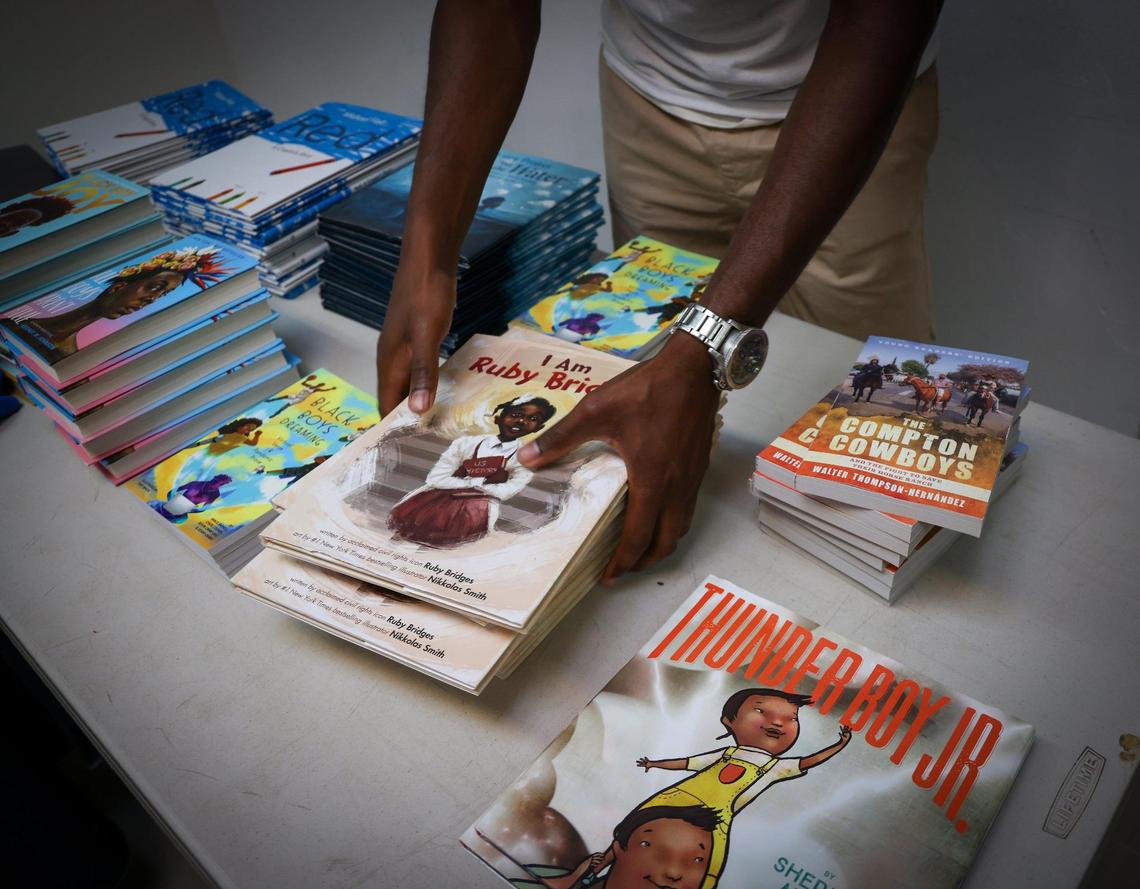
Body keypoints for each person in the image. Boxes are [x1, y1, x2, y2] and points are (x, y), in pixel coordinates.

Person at [377, 0, 944, 582]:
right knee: (646, 383)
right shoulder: (477, 443)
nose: (520, 422)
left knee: (886, 409)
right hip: (649, 95)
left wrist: (704, 345)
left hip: (848, 105)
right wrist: (427, 248)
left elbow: (881, 19)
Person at [552, 688, 851, 889]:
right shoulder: (725, 754)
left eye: (791, 719)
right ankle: (579, 876)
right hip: (675, 798)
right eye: (762, 712)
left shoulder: (776, 767)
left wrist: (839, 745)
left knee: (707, 868)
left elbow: (808, 761)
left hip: (716, 818)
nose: (777, 723)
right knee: (627, 834)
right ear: (729, 721)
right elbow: (688, 763)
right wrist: (656, 764)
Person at [1, 245, 230, 363]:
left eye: (162, 296)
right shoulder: (14, 323)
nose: (151, 300)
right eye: (155, 287)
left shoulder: (70, 356)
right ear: (118, 286)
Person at [386, 395, 556, 548]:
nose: (521, 421)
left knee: (440, 547)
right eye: (516, 415)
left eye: (532, 419)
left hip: (476, 510)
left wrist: (477, 486)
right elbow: (436, 478)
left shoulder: (524, 457)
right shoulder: (465, 444)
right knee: (406, 534)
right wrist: (478, 482)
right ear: (498, 419)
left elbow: (508, 490)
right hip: (435, 501)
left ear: (538, 428)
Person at [149, 475, 233, 524]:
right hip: (165, 506)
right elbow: (172, 491)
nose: (214, 482)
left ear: (221, 485)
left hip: (179, 514)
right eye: (215, 479)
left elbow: (203, 509)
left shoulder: (215, 494)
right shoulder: (196, 483)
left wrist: (188, 509)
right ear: (214, 477)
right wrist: (172, 500)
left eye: (218, 482)